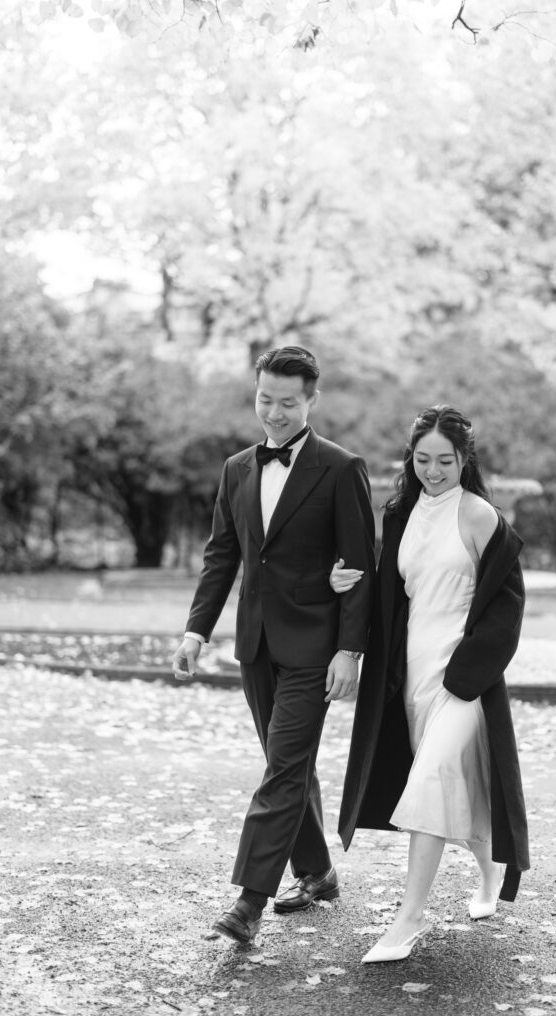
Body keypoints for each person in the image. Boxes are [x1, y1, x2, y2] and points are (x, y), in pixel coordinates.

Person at [171, 345, 375, 946]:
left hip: (315, 648)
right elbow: (222, 556)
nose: (275, 413)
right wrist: (196, 630)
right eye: (266, 399)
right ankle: (317, 872)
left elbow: (360, 566)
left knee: (283, 769)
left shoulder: (341, 468)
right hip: (256, 645)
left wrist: (350, 650)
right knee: (289, 766)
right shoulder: (237, 468)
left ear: (312, 400)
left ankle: (249, 902)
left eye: (288, 402)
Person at [331, 405, 529, 964]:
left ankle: (409, 918)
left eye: (445, 460)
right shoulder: (401, 513)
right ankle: (489, 871)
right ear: (410, 458)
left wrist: (468, 677)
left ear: (464, 460)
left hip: (464, 681)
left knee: (434, 779)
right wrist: (338, 582)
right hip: (412, 676)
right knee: (447, 791)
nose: (433, 471)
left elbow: (508, 607)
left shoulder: (480, 516)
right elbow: (386, 594)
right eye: (423, 459)